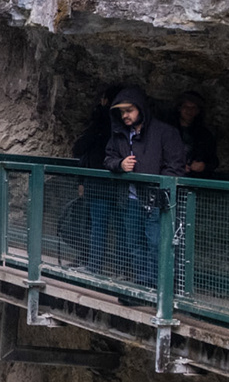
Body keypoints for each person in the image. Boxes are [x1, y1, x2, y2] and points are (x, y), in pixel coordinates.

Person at [103, 87, 187, 287]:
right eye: (122, 112)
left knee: (157, 244)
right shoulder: (119, 134)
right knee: (135, 245)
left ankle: (160, 287)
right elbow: (108, 158)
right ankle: (143, 284)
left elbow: (175, 166)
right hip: (130, 198)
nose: (125, 116)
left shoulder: (165, 132)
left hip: (156, 200)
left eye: (129, 110)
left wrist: (158, 189)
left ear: (140, 109)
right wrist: (120, 164)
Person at [72, 85, 124, 271]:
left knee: (98, 226)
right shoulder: (125, 126)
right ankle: (121, 269)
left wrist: (81, 180)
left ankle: (94, 265)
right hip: (120, 184)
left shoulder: (99, 123)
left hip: (98, 182)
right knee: (121, 229)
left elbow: (79, 149)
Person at [176, 90, 220, 176]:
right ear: (179, 108)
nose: (189, 110)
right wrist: (176, 166)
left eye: (193, 108)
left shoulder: (204, 134)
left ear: (198, 111)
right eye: (186, 107)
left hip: (194, 180)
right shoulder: (167, 130)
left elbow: (213, 160)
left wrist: (203, 166)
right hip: (171, 177)